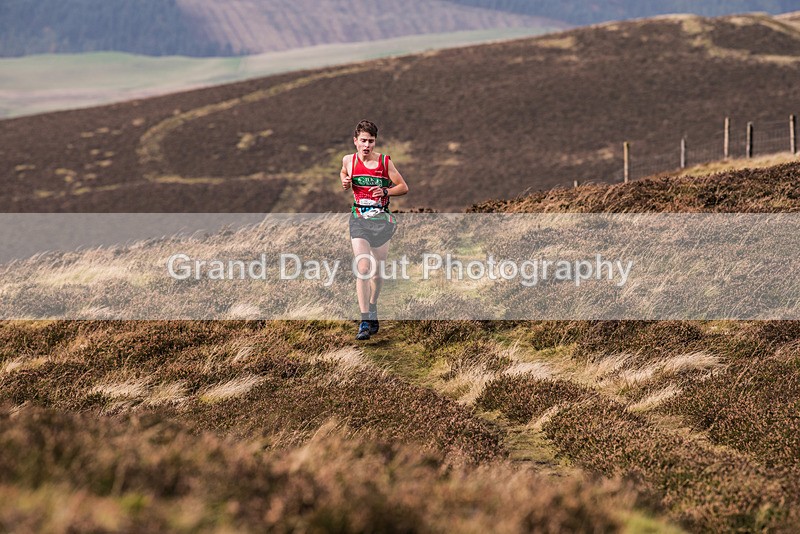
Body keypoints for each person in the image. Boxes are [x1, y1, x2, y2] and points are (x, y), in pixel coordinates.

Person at [340, 120, 409, 340]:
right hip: (358, 220)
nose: (366, 145)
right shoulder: (349, 160)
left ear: (375, 142)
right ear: (355, 141)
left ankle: (372, 306)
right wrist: (345, 181)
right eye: (363, 140)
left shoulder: (384, 162)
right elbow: (344, 172)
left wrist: (386, 192)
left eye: (370, 141)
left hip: (381, 222)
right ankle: (364, 321)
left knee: (377, 274)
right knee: (363, 267)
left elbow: (403, 187)